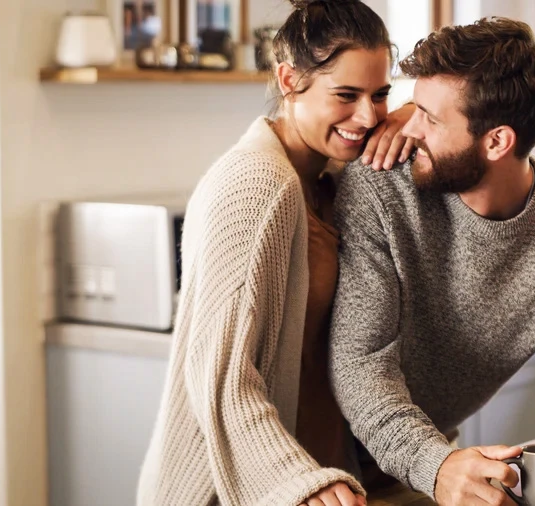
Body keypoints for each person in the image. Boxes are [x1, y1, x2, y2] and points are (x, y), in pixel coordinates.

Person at [329, 16, 535, 506]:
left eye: (429, 118)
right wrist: (436, 464)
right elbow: (361, 363)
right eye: (414, 105)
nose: (404, 127)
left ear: (497, 141)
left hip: (412, 473)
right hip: (316, 464)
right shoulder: (380, 184)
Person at [136, 1, 416, 504]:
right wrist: (297, 480)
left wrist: (416, 118)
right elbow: (220, 378)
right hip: (231, 490)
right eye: (346, 95)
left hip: (320, 481)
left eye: (381, 95)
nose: (368, 115)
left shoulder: (330, 180)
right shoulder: (256, 186)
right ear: (289, 80)